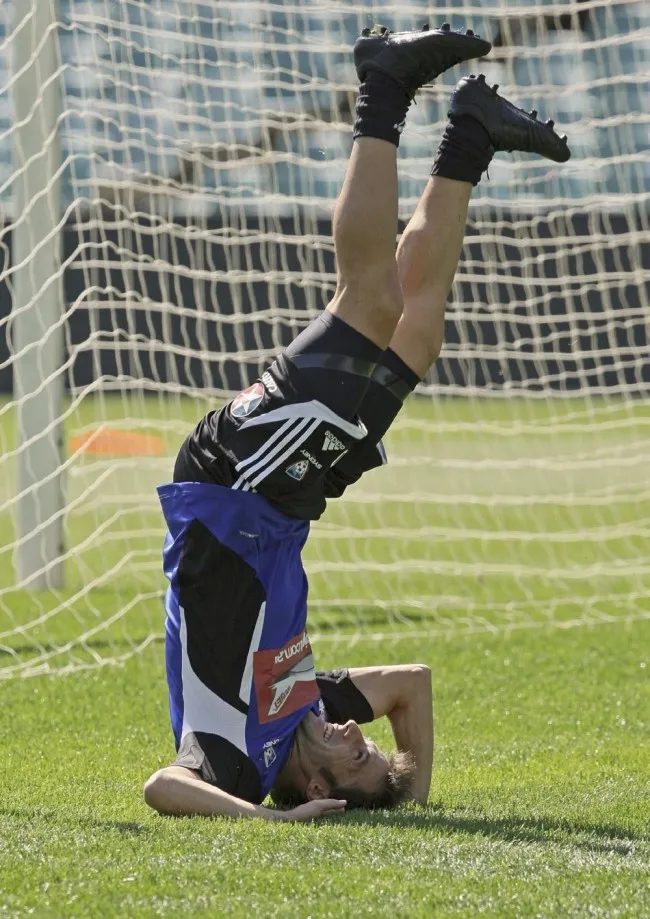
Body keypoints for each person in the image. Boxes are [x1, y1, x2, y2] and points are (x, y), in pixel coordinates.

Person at [144, 23, 570, 822]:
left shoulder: (234, 760)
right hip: (284, 503)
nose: (352, 727)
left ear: (314, 788)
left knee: (370, 302)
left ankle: (382, 86)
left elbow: (162, 786)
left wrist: (272, 823)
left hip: (231, 488)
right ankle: (471, 135)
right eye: (365, 739)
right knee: (414, 336)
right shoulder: (307, 705)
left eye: (355, 751)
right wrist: (410, 792)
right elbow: (413, 683)